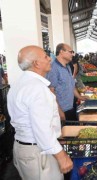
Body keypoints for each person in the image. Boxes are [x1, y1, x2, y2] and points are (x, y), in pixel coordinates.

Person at [7, 45, 73, 180]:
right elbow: (42, 129)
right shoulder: (37, 88)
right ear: (36, 63)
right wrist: (61, 156)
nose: (49, 58)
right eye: (45, 56)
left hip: (25, 148)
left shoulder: (20, 83)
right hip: (38, 151)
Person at [46, 43, 87, 121]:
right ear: (61, 52)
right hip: (62, 110)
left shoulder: (67, 66)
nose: (72, 54)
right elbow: (51, 92)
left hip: (70, 106)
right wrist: (59, 111)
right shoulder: (53, 68)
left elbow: (71, 84)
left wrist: (79, 97)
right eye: (70, 52)